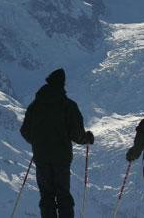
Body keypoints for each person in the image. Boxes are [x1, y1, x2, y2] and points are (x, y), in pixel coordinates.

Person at [20, 68, 94, 218]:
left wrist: (37, 142)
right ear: (62, 84)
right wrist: (87, 138)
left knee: (46, 195)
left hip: (41, 157)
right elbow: (76, 134)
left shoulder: (35, 106)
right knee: (63, 194)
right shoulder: (68, 105)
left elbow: (25, 131)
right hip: (61, 157)